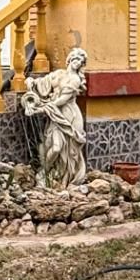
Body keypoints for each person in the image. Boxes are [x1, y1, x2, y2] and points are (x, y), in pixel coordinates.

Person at [20, 47, 88, 188]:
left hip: (69, 116)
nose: (77, 63)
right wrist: (31, 82)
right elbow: (43, 84)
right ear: (70, 59)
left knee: (68, 149)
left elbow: (62, 100)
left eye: (80, 62)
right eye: (76, 60)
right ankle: (46, 172)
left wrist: (41, 109)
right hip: (55, 114)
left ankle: (65, 177)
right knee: (56, 147)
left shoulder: (75, 79)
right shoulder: (58, 74)